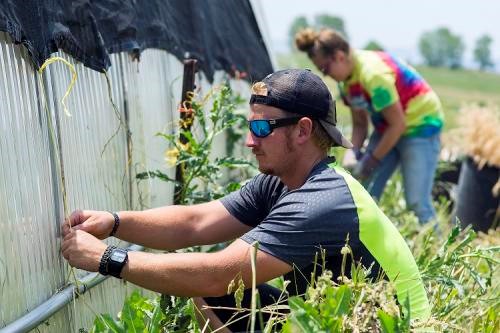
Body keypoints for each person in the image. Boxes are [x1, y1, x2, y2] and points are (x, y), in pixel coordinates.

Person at [62, 69, 430, 332]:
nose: (250, 141)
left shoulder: (324, 200)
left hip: (391, 327)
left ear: (302, 130)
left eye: (261, 128)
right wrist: (113, 222)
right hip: (340, 320)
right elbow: (194, 223)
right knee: (220, 299)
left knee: (214, 286)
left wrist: (107, 259)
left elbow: (218, 273)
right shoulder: (281, 184)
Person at [295, 28, 444, 224]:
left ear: (339, 56)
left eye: (325, 69)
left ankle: (445, 252)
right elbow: (359, 124)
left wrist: (371, 161)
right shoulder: (346, 82)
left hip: (421, 127)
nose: (327, 75)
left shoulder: (373, 75)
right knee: (366, 191)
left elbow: (398, 125)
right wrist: (352, 152)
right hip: (388, 126)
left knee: (417, 202)